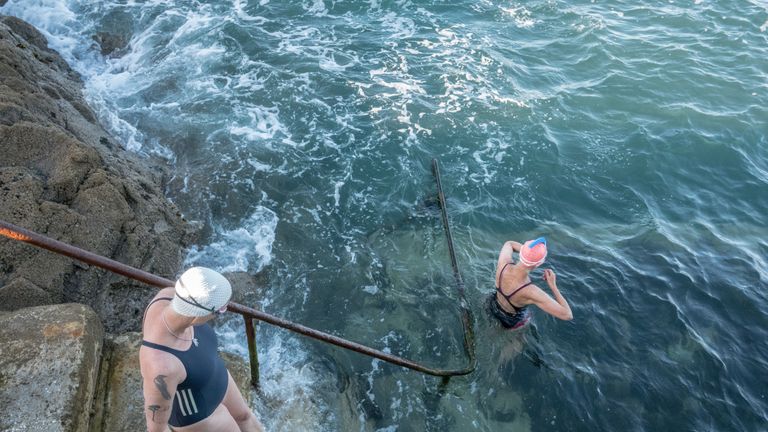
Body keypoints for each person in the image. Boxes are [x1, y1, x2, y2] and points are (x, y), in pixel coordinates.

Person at [140, 267, 266, 432]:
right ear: (197, 315)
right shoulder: (161, 366)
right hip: (199, 413)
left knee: (245, 417)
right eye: (221, 310)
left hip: (213, 376)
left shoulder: (168, 295)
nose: (224, 310)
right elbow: (157, 428)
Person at [489, 237, 573, 330]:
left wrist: (528, 253)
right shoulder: (531, 291)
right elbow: (567, 315)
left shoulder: (503, 264)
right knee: (525, 323)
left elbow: (509, 243)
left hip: (492, 304)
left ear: (521, 253)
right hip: (510, 321)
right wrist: (553, 286)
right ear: (538, 264)